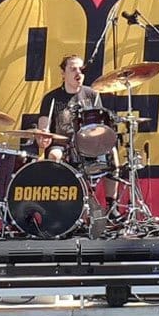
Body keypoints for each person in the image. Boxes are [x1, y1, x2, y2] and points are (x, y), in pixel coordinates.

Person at [35, 54, 118, 213]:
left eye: (81, 69)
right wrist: (43, 137)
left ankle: (111, 206)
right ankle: (57, 205)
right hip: (62, 144)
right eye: (73, 69)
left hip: (88, 143)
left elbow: (99, 126)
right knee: (54, 156)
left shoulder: (92, 94)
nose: (78, 72)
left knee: (112, 152)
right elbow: (43, 127)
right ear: (63, 73)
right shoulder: (51, 98)